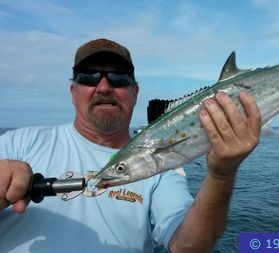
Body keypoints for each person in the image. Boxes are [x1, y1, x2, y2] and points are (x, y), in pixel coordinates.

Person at [0, 38, 261, 253]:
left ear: (135, 93)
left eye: (118, 77)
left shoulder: (165, 169)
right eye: (89, 77)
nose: (103, 86)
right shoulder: (17, 143)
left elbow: (188, 247)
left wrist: (222, 175)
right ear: (72, 92)